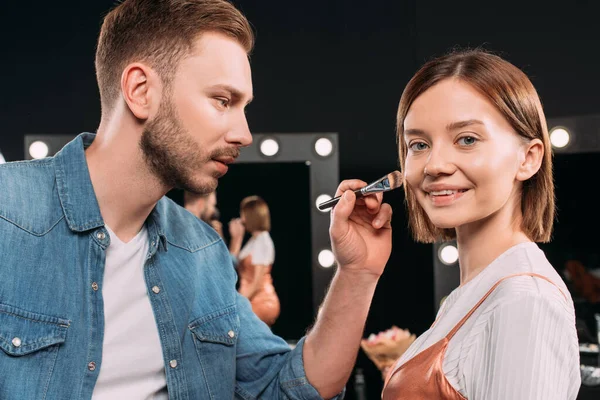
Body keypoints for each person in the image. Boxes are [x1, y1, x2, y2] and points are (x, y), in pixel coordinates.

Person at [0, 0, 393, 398]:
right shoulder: (6, 214)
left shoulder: (203, 252)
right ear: (140, 91)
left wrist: (356, 275)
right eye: (223, 101)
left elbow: (290, 389)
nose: (244, 133)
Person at [381, 48, 581, 399]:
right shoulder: (472, 293)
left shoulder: (524, 302)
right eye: (418, 144)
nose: (434, 165)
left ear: (528, 158)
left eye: (467, 139)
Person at [228, 195, 280, 326]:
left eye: (243, 213)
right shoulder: (254, 240)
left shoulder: (263, 241)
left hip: (261, 301)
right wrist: (236, 237)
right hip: (250, 298)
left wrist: (236, 303)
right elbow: (232, 262)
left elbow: (256, 283)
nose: (241, 217)